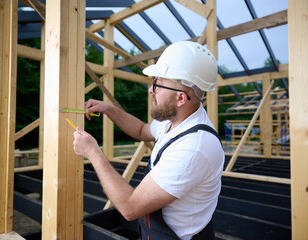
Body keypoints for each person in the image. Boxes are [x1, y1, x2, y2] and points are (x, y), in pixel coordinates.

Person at [73, 41, 225, 240]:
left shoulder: (194, 148)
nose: (150, 90)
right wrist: (109, 109)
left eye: (157, 84)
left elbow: (129, 207)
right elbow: (141, 130)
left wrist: (93, 152)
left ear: (180, 98)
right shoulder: (175, 119)